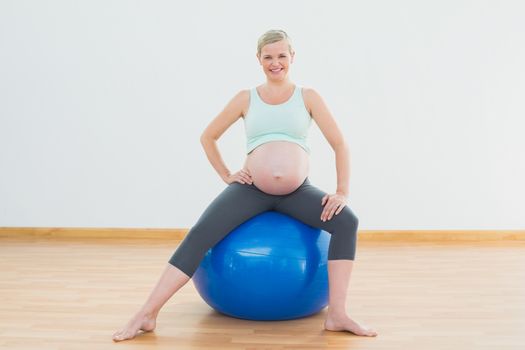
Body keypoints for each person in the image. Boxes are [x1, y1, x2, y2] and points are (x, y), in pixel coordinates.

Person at [112, 29, 377, 342]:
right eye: (268, 57)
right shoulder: (245, 98)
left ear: (292, 57)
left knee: (347, 221)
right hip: (250, 190)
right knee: (199, 234)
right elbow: (208, 136)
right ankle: (147, 313)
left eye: (281, 55)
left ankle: (337, 314)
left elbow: (340, 144)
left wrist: (342, 191)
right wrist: (226, 174)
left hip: (297, 192)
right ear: (259, 60)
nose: (275, 62)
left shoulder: (308, 97)